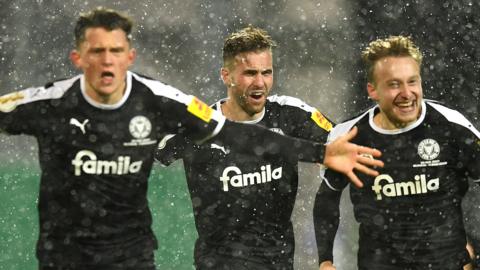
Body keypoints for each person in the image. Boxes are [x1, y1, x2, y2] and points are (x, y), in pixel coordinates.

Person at [0, 7, 383, 270]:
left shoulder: (171, 103)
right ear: (78, 57)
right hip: (75, 256)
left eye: (266, 73)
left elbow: (244, 137)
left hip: (155, 256)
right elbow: (165, 151)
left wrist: (323, 152)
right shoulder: (53, 103)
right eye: (96, 51)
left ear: (129, 57)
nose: (260, 82)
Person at [155, 25, 337, 269]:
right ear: (226, 76)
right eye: (250, 73)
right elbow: (145, 150)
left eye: (267, 72)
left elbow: (348, 145)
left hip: (278, 263)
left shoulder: (290, 116)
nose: (260, 82)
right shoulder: (200, 126)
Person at [313, 35, 480, 270]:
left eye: (412, 82)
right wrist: (326, 261)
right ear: (372, 90)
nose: (407, 93)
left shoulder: (451, 125)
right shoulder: (349, 135)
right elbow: (327, 198)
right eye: (394, 84)